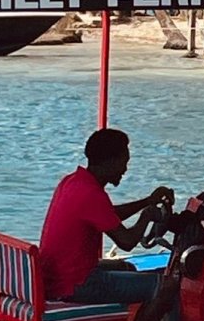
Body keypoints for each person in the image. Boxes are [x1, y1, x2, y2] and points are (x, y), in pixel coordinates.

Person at [39, 128, 174, 307]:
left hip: (55, 278)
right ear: (110, 162)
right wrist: (147, 215)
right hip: (74, 284)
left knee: (128, 269)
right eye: (123, 162)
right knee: (166, 287)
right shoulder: (92, 194)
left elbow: (107, 215)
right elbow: (126, 242)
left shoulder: (72, 182)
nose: (125, 170)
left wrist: (148, 201)